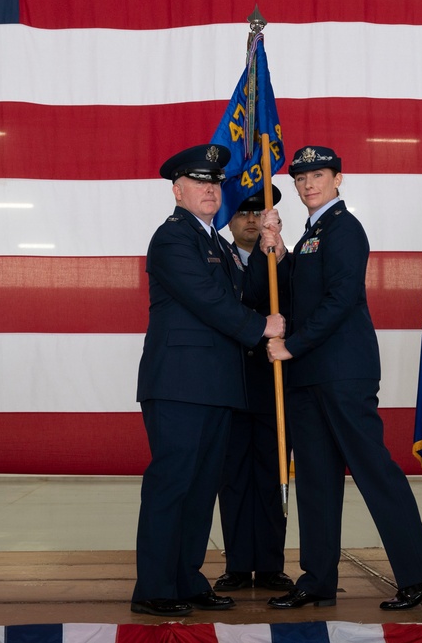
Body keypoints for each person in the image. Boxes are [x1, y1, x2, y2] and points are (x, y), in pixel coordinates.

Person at [259, 145, 422, 611]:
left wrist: (292, 345)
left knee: (373, 471)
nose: (307, 185)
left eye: (317, 176)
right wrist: (278, 251)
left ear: (338, 179)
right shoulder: (311, 234)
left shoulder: (344, 228)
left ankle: (421, 574)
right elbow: (302, 293)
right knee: (317, 481)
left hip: (342, 373)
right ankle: (317, 579)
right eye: (300, 178)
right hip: (310, 376)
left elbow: (340, 300)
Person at [131, 144, 285, 617]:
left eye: (216, 184)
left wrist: (266, 250)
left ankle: (186, 578)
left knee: (200, 492)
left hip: (216, 386)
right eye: (200, 183)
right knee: (173, 485)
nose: (210, 191)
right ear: (178, 191)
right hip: (180, 384)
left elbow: (245, 293)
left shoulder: (217, 243)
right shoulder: (173, 238)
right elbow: (207, 301)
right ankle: (155, 588)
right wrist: (260, 328)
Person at [214, 185, 295, 593]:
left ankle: (269, 565)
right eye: (242, 212)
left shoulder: (282, 258)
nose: (249, 220)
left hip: (272, 384)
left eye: (258, 212)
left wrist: (277, 257)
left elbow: (295, 306)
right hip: (226, 384)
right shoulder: (213, 256)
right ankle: (237, 564)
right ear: (228, 218)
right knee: (232, 479)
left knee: (270, 473)